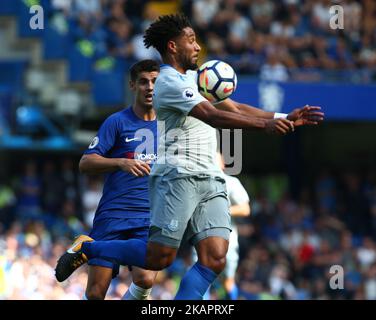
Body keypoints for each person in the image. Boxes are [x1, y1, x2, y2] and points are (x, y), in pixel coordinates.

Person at [55, 14, 324, 300]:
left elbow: (234, 107)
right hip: (178, 178)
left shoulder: (198, 78)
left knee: (215, 258)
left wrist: (284, 117)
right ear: (173, 46)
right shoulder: (168, 82)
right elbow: (211, 115)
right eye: (192, 40)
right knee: (158, 259)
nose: (198, 47)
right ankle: (88, 248)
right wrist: (265, 126)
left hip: (211, 179)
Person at [70, 59, 160, 300]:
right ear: (132, 85)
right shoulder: (117, 122)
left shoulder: (170, 126)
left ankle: (86, 248)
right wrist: (120, 162)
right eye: (143, 82)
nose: (150, 87)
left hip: (148, 216)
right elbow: (85, 163)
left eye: (155, 82)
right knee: (97, 292)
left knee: (145, 279)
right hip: (113, 214)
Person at [192, 152, 251, 300]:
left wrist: (220, 211)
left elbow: (245, 209)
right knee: (200, 280)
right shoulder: (195, 183)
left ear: (223, 164)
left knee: (228, 282)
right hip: (201, 240)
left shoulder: (231, 182)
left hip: (227, 242)